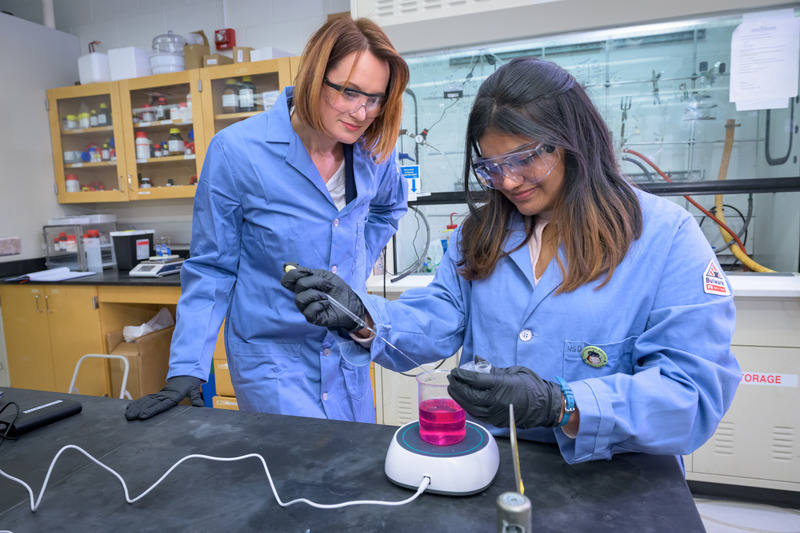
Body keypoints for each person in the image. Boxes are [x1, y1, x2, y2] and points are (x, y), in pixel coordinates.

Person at [281, 57, 741, 463]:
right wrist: (359, 315)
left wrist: (561, 404)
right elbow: (437, 321)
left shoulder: (666, 240)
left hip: (615, 477)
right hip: (490, 464)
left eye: (523, 158)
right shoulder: (481, 235)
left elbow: (692, 396)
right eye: (491, 166)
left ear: (573, 141)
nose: (508, 181)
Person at [125, 17, 410, 423]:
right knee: (288, 480)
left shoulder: (373, 153)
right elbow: (212, 267)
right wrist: (187, 367)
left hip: (346, 353)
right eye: (350, 92)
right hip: (273, 364)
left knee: (353, 473)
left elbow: (388, 208)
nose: (363, 111)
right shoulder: (237, 151)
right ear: (315, 76)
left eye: (375, 99)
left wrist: (358, 258)